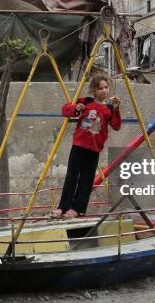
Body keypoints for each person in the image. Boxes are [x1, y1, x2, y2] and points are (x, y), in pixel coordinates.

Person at [52, 74, 122, 219]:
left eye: (106, 87)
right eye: (100, 88)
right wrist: (75, 108)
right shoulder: (86, 101)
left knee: (86, 179)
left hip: (94, 148)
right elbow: (65, 110)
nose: (104, 90)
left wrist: (116, 110)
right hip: (79, 145)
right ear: (94, 91)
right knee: (71, 176)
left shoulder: (109, 108)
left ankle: (77, 209)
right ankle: (62, 206)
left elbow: (116, 125)